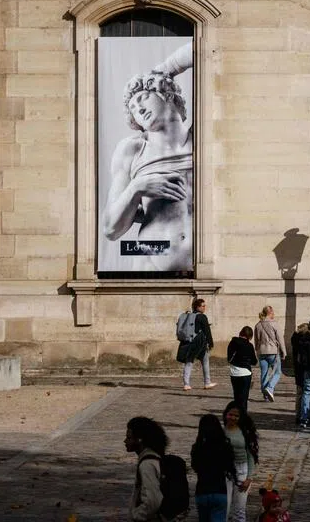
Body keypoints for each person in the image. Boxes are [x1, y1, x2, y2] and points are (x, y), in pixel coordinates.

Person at [102, 41, 194, 273]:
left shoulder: (202, 137)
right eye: (133, 108)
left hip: (207, 268)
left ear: (167, 95)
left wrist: (166, 68)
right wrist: (137, 187)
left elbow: (206, 48)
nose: (138, 109)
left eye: (142, 99)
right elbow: (111, 228)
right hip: (151, 264)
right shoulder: (133, 150)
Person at [191, 413, 239, 522]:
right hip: (219, 491)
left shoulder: (198, 448)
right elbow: (230, 466)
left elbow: (195, 467)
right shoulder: (224, 446)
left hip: (202, 491)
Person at [125, 416, 168, 522]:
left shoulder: (147, 464)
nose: (125, 441)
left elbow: (153, 500)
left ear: (139, 439)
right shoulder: (151, 459)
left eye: (129, 438)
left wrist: (136, 515)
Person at [222, 402, 259, 522]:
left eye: (236, 416)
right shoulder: (220, 432)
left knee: (240, 508)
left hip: (242, 470)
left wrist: (249, 478)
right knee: (224, 506)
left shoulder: (245, 432)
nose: (232, 418)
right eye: (230, 414)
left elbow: (251, 456)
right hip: (225, 470)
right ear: (226, 414)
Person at [178, 297, 217, 391]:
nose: (204, 308)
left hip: (189, 342)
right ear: (198, 307)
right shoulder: (202, 317)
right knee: (205, 362)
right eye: (203, 306)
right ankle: (207, 382)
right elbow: (207, 331)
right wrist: (211, 343)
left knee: (189, 362)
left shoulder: (189, 316)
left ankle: (186, 384)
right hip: (199, 343)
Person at [254, 306, 286, 402]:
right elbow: (280, 339)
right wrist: (283, 351)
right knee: (277, 372)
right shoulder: (274, 324)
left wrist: (257, 351)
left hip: (262, 351)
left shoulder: (258, 325)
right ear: (271, 312)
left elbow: (256, 340)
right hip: (273, 351)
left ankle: (266, 396)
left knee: (264, 373)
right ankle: (270, 388)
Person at [227, 326, 258, 414]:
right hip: (245, 373)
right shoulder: (249, 345)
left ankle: (237, 414)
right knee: (244, 398)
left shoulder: (233, 343)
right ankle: (243, 415)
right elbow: (254, 361)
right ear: (250, 336)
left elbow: (229, 358)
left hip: (234, 372)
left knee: (236, 397)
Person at [289, 322, 310, 425]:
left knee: (300, 393)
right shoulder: (303, 342)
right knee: (305, 392)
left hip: (298, 369)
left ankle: (298, 415)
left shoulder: (295, 340)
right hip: (303, 369)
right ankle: (304, 414)